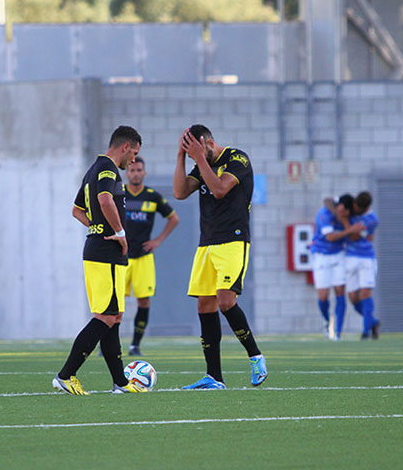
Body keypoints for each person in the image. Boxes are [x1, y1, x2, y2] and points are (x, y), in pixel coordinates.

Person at [53, 125, 146, 395]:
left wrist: (97, 228)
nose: (134, 161)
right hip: (105, 252)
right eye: (134, 153)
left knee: (114, 316)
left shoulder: (93, 168)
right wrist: (118, 232)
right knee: (105, 316)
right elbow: (105, 199)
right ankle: (65, 375)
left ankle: (120, 382)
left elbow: (76, 210)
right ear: (125, 146)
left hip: (102, 250)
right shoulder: (107, 169)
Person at [173, 124, 267, 389]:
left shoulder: (237, 158)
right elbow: (180, 192)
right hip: (207, 243)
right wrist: (180, 157)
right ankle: (214, 376)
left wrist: (200, 158)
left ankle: (255, 356)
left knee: (226, 301)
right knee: (205, 305)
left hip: (233, 241)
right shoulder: (199, 163)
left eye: (196, 149)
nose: (194, 155)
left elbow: (219, 189)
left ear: (209, 142)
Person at [124, 156, 180, 356]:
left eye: (139, 170)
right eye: (132, 170)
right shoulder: (119, 194)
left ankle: (135, 345)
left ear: (144, 173)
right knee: (113, 303)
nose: (136, 173)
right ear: (127, 173)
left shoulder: (152, 196)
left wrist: (159, 240)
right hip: (120, 257)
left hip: (143, 257)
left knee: (144, 301)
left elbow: (174, 218)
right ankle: (108, 345)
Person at [310, 194, 365, 340]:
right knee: (323, 295)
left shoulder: (347, 215)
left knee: (340, 291)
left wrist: (347, 223)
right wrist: (349, 230)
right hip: (321, 255)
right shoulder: (324, 214)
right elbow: (330, 237)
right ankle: (326, 322)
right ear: (338, 207)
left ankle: (338, 332)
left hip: (339, 255)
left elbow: (356, 234)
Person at [345, 191, 380, 339]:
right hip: (350, 257)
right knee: (353, 297)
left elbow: (352, 236)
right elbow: (329, 201)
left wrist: (344, 222)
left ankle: (365, 331)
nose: (356, 210)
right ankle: (372, 322)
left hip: (366, 258)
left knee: (365, 294)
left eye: (359, 208)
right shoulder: (351, 208)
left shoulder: (372, 220)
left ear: (365, 208)